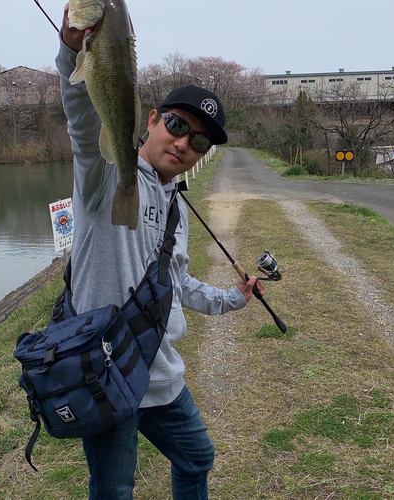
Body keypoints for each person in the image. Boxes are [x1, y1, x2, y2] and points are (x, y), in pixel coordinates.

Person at [56, 5, 264, 499]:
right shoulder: (103, 176)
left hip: (160, 372)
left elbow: (177, 283)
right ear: (150, 119)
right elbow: (82, 120)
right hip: (107, 373)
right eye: (175, 123)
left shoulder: (177, 209)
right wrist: (71, 51)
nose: (183, 142)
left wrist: (234, 298)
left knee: (197, 457)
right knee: (114, 490)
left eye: (198, 140)